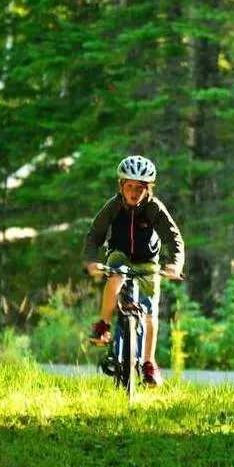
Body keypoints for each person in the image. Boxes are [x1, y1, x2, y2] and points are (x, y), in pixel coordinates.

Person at [83, 155, 185, 387]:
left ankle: (149, 363)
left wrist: (174, 265)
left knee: (150, 313)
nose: (134, 192)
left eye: (140, 188)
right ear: (121, 186)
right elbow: (94, 235)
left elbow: (174, 238)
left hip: (148, 261)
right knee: (116, 275)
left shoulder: (154, 208)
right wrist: (91, 261)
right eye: (129, 186)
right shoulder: (113, 206)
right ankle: (103, 324)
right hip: (119, 255)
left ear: (148, 189)